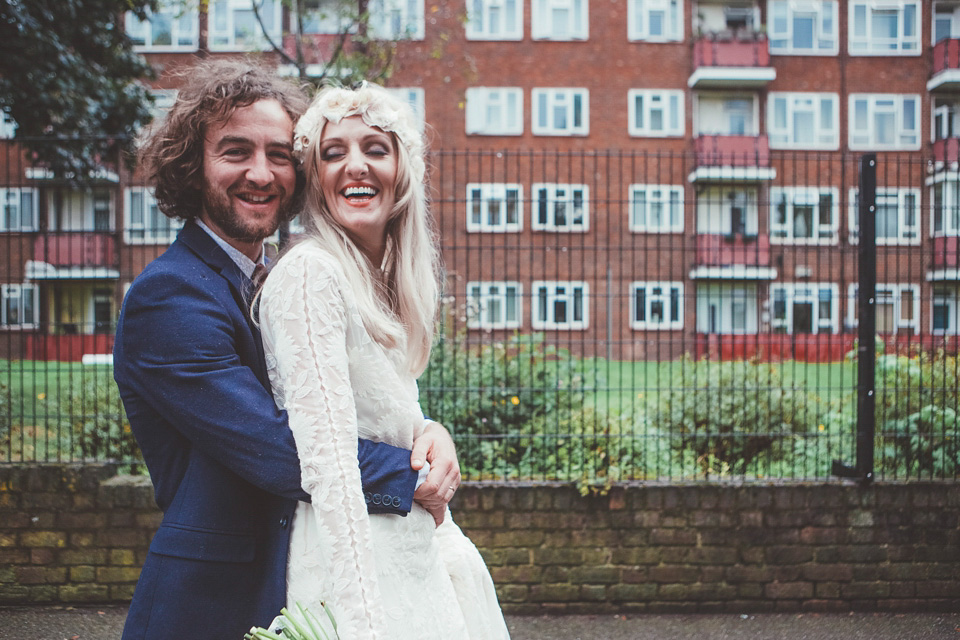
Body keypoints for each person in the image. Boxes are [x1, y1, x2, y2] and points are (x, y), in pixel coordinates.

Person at [112, 60, 461, 640]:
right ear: (192, 167)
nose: (260, 173)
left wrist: (430, 430)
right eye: (235, 151)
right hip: (210, 606)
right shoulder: (169, 296)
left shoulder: (282, 277)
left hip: (295, 589)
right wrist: (413, 469)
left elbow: (351, 397)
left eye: (278, 154)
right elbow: (282, 449)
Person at [257, 83, 510, 639]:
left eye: (375, 148)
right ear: (315, 178)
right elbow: (327, 467)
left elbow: (387, 411)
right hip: (356, 573)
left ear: (402, 169)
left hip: (410, 557)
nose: (356, 166)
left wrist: (431, 430)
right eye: (333, 152)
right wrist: (362, 624)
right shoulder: (310, 275)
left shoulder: (379, 282)